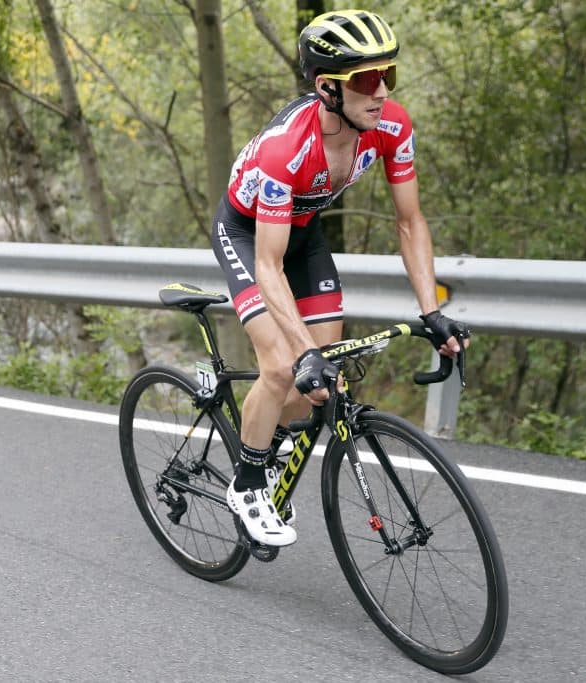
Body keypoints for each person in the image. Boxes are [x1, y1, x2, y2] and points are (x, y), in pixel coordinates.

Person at [210, 9, 469, 547]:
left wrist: (432, 311)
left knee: (322, 380)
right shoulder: (287, 149)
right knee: (284, 367)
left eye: (387, 76)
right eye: (367, 80)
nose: (381, 92)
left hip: (303, 235)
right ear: (328, 89)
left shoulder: (391, 127)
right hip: (249, 236)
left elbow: (410, 221)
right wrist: (300, 351)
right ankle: (248, 481)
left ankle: (270, 437)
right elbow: (267, 265)